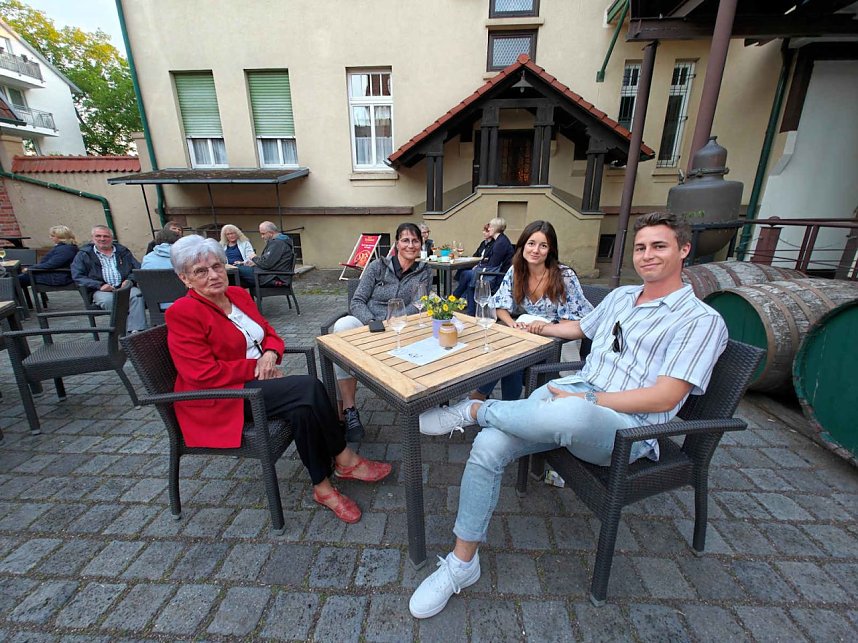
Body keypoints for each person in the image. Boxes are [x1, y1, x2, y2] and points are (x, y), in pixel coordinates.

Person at [409, 212, 728, 619]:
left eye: (659, 246)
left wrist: (591, 404)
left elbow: (665, 396)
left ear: (684, 250)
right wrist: (539, 329)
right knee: (489, 445)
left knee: (569, 414)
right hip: (574, 393)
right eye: (641, 247)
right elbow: (580, 330)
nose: (647, 255)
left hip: (625, 427)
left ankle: (473, 410)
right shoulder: (621, 297)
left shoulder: (700, 320)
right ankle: (462, 564)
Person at [165, 235, 392, 523]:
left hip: (257, 384)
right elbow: (200, 374)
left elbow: (270, 333)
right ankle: (345, 459)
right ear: (185, 279)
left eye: (217, 266)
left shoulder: (238, 296)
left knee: (302, 407)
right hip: (219, 397)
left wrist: (270, 355)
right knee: (307, 387)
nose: (213, 275)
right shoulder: (183, 312)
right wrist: (256, 367)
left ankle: (322, 487)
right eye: (201, 271)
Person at [450, 220, 592, 407]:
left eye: (543, 246)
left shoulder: (564, 276)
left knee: (513, 354)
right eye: (531, 243)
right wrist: (512, 324)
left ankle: (483, 397)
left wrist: (544, 328)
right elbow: (499, 305)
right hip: (530, 329)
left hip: (562, 335)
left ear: (551, 250)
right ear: (523, 245)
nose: (535, 250)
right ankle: (507, 404)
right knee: (509, 354)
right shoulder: (517, 270)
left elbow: (572, 321)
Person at [332, 223, 432, 441]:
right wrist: (373, 322)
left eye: (415, 241)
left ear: (420, 245)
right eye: (405, 240)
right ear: (397, 243)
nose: (410, 245)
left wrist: (397, 318)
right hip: (369, 323)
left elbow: (419, 304)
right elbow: (357, 301)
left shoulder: (424, 271)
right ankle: (350, 409)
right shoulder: (377, 267)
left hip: (404, 327)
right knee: (341, 328)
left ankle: (420, 400)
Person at [71, 225, 147, 333]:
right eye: (98, 236)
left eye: (105, 236)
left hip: (124, 287)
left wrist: (130, 280)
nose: (102, 239)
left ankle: (137, 331)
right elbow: (77, 276)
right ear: (93, 238)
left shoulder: (123, 252)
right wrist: (99, 285)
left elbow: (137, 269)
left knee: (137, 296)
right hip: (100, 289)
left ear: (111, 238)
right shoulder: (84, 255)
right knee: (109, 300)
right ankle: (120, 331)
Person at [464, 217, 514, 315]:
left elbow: (493, 265)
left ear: (495, 228)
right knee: (467, 276)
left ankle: (471, 314)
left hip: (499, 276)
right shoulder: (500, 240)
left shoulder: (500, 243)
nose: (489, 229)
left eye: (490, 227)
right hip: (496, 273)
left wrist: (479, 266)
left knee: (470, 283)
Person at [236, 221, 294, 288]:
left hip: (273, 277)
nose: (262, 237)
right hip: (269, 274)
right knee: (238, 275)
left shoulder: (277, 243)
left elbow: (266, 264)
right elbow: (268, 261)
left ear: (271, 233)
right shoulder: (279, 241)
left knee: (237, 271)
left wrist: (254, 257)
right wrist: (254, 263)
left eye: (263, 234)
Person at [451, 222, 494, 299]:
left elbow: (489, 260)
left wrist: (478, 265)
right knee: (462, 269)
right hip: (476, 265)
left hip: (483, 268)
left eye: (486, 231)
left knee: (465, 274)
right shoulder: (483, 243)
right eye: (483, 230)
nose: (484, 233)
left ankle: (456, 295)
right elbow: (475, 255)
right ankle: (462, 297)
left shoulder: (494, 244)